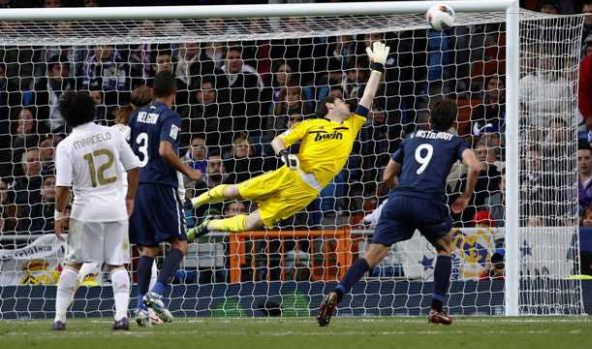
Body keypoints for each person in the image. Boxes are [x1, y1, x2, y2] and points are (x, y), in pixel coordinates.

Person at [187, 42, 390, 238]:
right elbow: (277, 141)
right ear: (330, 106)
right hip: (290, 173)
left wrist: (377, 66)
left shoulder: (352, 124)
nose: (347, 104)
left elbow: (369, 94)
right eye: (341, 101)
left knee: (251, 223)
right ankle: (195, 201)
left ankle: (208, 225)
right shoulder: (310, 124)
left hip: (308, 189)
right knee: (237, 191)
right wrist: (285, 155)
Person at [316, 98, 481, 327]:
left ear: (429, 118)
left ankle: (337, 292)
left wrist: (402, 194)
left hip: (399, 200)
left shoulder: (411, 137)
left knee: (371, 256)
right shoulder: (455, 141)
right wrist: (466, 196)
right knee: (446, 248)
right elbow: (475, 166)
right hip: (428, 201)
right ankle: (436, 308)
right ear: (453, 121)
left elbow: (386, 176)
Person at [52, 91, 140, 331]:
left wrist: (59, 215)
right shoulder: (112, 133)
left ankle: (59, 318)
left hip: (85, 211)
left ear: (66, 117)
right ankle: (121, 317)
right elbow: (133, 167)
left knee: (74, 262)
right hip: (115, 207)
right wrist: (130, 197)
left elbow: (62, 189)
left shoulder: (65, 145)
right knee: (118, 264)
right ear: (93, 109)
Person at [128, 71, 202, 326]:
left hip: (140, 186)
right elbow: (164, 150)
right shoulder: (170, 115)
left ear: (152, 91)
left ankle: (139, 306)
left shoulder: (136, 115)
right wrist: (190, 171)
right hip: (161, 184)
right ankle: (158, 293)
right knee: (180, 243)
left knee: (148, 248)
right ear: (174, 93)